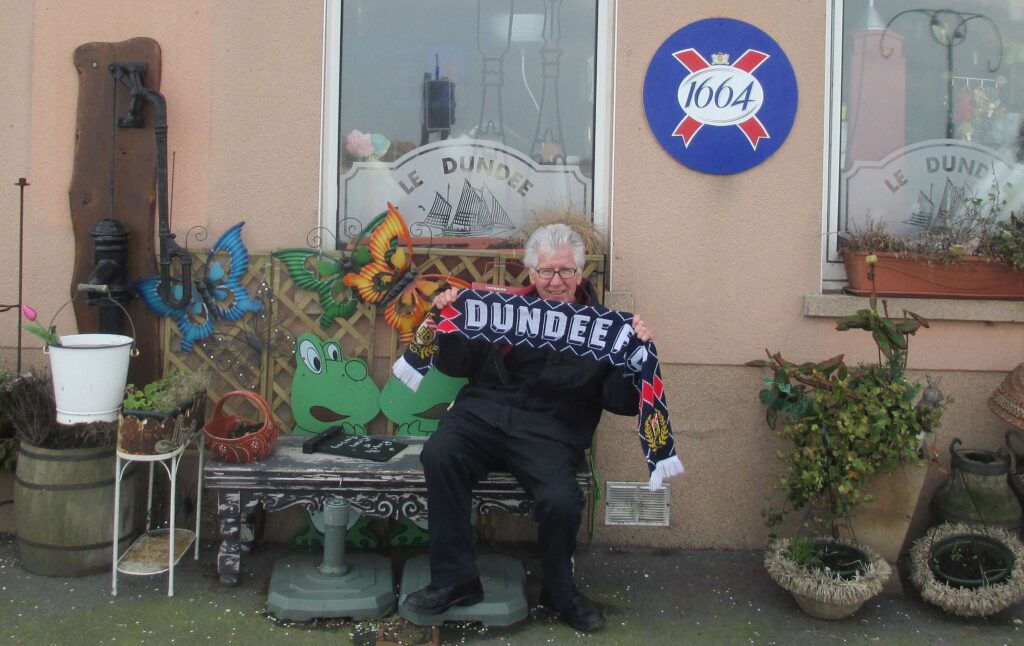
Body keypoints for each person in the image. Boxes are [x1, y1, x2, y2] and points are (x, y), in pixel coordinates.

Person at [402, 223, 653, 632]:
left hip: (550, 431)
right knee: (440, 453)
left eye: (565, 271)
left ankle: (559, 592)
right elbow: (455, 365)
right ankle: (455, 579)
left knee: (562, 500)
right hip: (483, 414)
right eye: (546, 272)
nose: (556, 281)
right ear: (532, 273)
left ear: (581, 271)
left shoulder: (603, 328)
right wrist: (448, 317)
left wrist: (635, 355)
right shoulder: (502, 309)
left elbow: (621, 401)